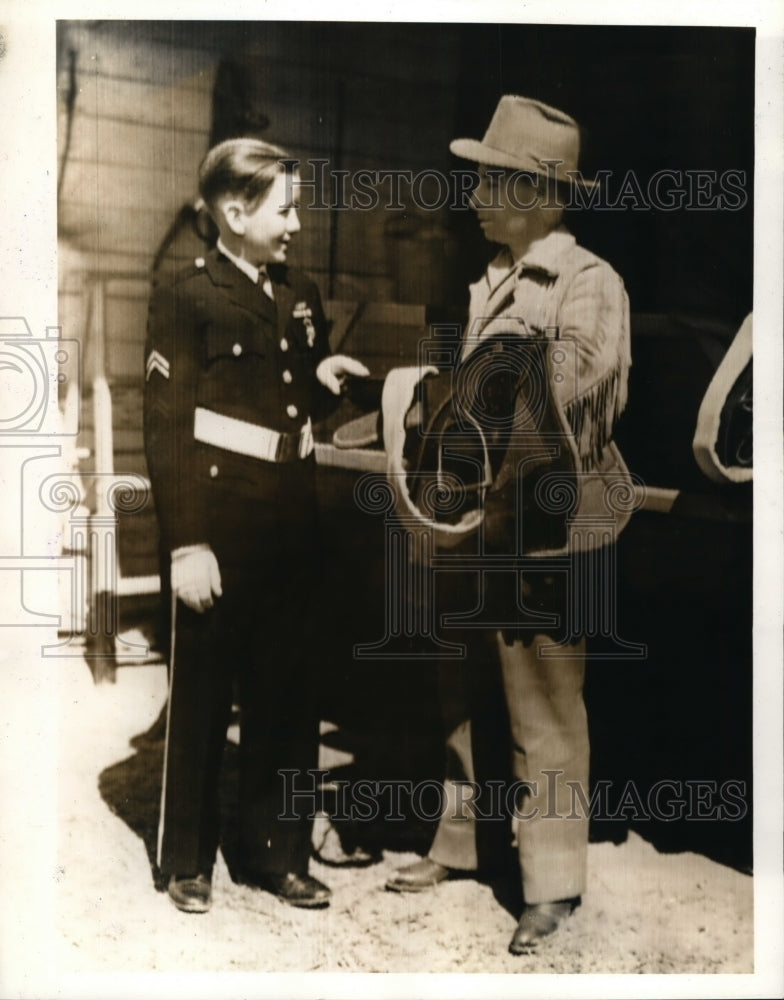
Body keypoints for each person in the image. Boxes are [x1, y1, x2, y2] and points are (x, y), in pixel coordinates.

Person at [384, 96, 633, 953]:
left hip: (551, 525)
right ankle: (463, 845)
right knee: (470, 692)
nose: (478, 194)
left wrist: (466, 401)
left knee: (546, 708)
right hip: (483, 521)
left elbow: (577, 393)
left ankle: (553, 884)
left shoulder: (586, 282)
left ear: (542, 190)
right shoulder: (487, 278)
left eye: (494, 180)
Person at [143, 137, 368, 913]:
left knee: (287, 691)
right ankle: (188, 861)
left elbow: (287, 383)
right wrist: (187, 544)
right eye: (287, 208)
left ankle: (279, 853)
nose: (299, 224)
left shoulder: (298, 291)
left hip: (289, 525)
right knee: (204, 694)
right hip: (220, 525)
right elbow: (169, 427)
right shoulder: (185, 295)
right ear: (236, 213)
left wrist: (325, 376)